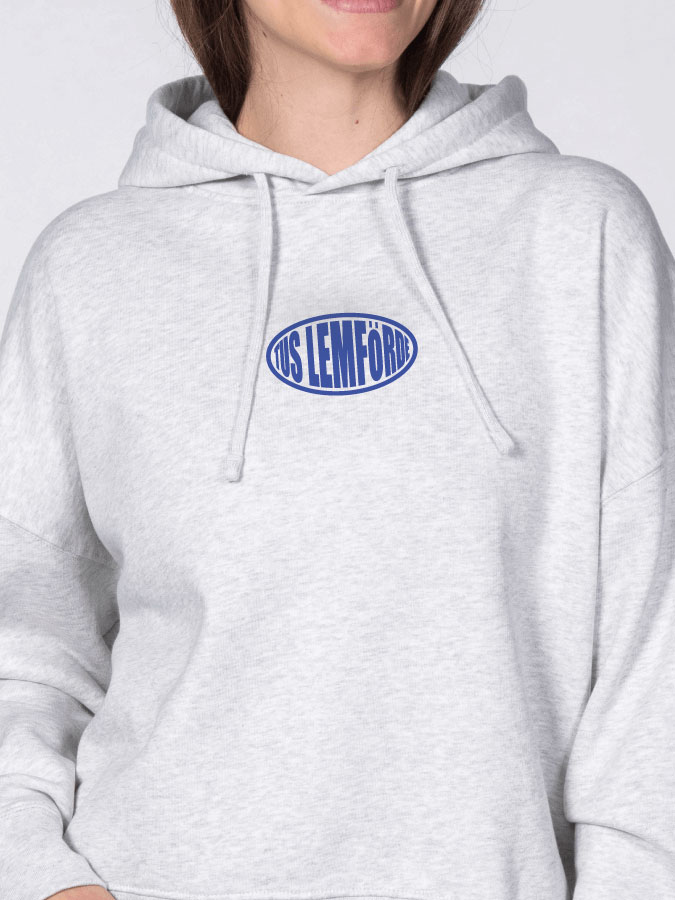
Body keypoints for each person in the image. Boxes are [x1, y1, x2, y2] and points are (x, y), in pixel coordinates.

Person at [1, 1, 674, 899]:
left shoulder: (580, 234)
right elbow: (25, 646)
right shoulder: (90, 267)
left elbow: (655, 655)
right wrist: (40, 876)